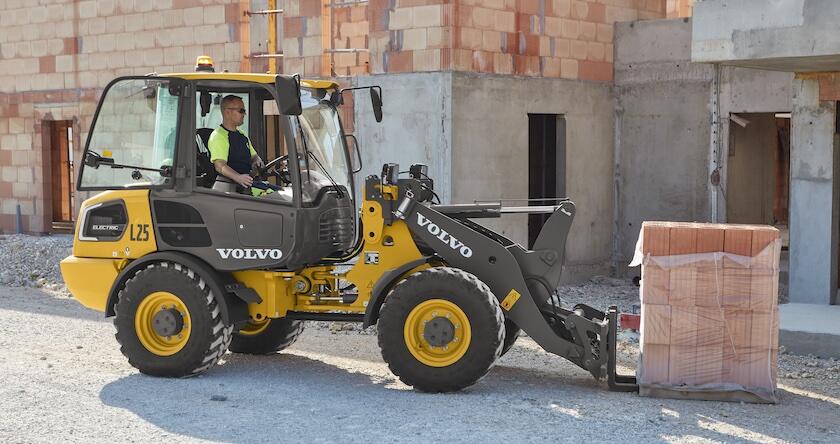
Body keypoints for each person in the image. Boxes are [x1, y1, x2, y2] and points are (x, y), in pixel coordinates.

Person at [208, 95, 264, 193]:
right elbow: (220, 166)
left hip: (246, 185)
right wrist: (238, 177)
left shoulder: (242, 135)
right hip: (231, 189)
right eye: (241, 111)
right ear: (227, 112)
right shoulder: (218, 136)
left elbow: (254, 156)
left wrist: (257, 162)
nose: (244, 114)